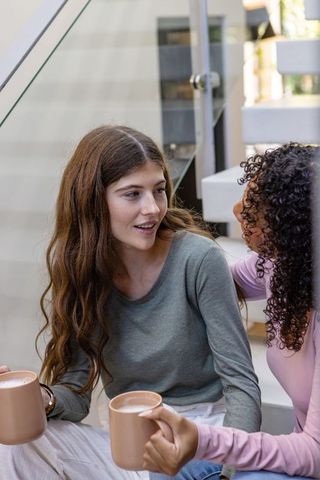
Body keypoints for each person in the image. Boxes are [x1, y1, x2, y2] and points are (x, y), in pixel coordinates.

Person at [0, 125, 260, 480]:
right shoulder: (83, 271)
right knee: (14, 446)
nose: (152, 208)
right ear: (94, 201)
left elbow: (242, 385)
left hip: (198, 434)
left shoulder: (197, 259)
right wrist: (39, 399)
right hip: (128, 443)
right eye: (132, 194)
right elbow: (75, 398)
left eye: (159, 190)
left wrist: (231, 473)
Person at [141, 143, 320, 480]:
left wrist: (205, 439)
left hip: (312, 456)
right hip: (304, 449)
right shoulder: (283, 267)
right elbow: (216, 278)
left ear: (291, 225)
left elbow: (314, 452)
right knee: (174, 470)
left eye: (253, 208)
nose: (237, 211)